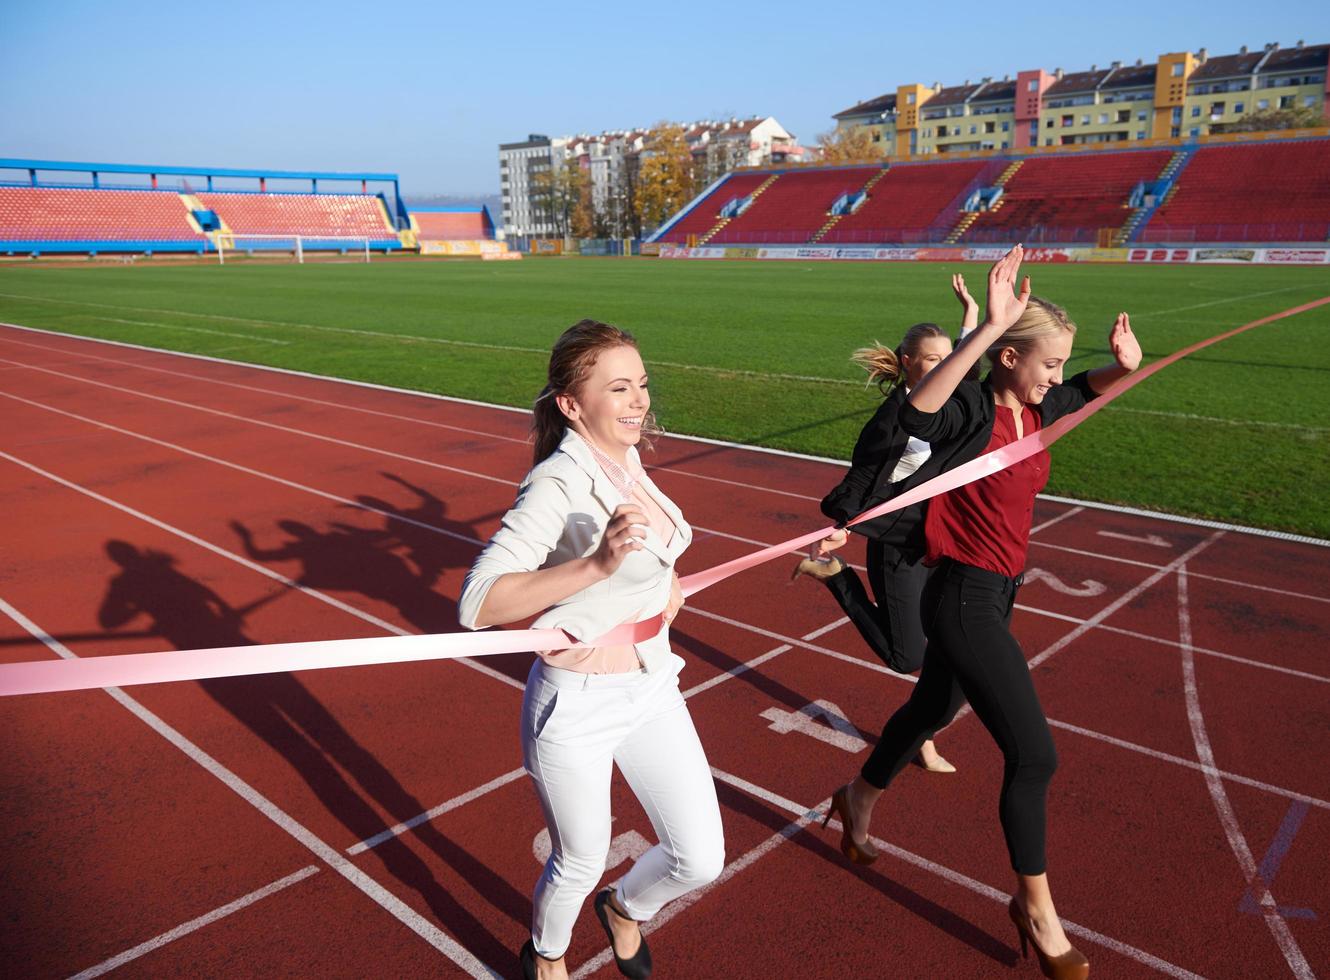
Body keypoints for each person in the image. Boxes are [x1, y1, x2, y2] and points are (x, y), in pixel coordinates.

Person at [821, 246, 1141, 980]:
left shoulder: (1038, 406)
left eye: (1061, 366)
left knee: (928, 708)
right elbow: (913, 417)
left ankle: (857, 796)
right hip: (962, 600)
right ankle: (1036, 909)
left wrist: (1122, 366)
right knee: (1035, 757)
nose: (1057, 378)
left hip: (999, 592)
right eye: (1047, 364)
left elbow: (1088, 389)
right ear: (1007, 360)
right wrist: (979, 333)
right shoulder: (968, 411)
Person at [458, 319, 724, 980]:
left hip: (651, 681)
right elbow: (478, 603)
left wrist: (662, 592)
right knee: (579, 857)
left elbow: (654, 555)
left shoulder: (625, 455)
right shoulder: (558, 483)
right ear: (573, 406)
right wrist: (597, 566)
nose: (639, 400)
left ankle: (626, 906)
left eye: (641, 384)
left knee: (701, 858)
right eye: (619, 389)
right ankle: (546, 957)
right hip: (576, 704)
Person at [793, 273, 980, 773]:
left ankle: (922, 737)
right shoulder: (892, 420)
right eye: (934, 360)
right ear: (908, 364)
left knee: (952, 647)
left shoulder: (958, 403)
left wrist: (972, 321)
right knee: (907, 657)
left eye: (949, 358)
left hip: (943, 542)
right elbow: (861, 479)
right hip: (897, 547)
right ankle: (835, 579)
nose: (947, 368)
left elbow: (972, 375)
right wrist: (842, 525)